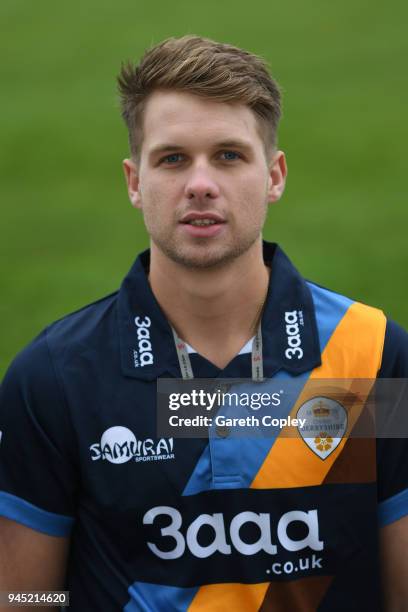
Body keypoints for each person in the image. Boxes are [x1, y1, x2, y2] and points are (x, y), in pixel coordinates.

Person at [0, 35, 407, 612]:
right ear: (135, 182)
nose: (200, 184)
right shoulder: (55, 378)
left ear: (274, 175)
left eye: (228, 155)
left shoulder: (373, 355)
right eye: (172, 158)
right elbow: (23, 596)